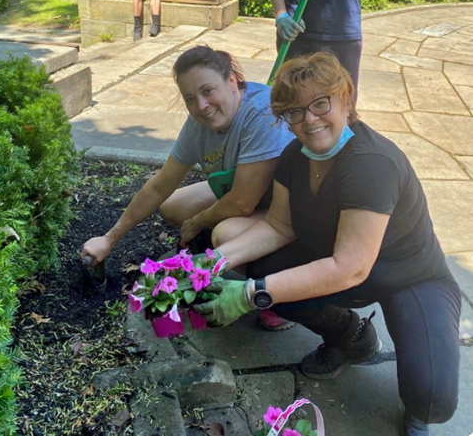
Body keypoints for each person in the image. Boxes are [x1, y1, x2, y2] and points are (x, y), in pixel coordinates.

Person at [195, 53, 461, 436]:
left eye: (321, 104)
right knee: (265, 270)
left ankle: (421, 400)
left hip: (411, 276)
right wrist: (214, 261)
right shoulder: (293, 156)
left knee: (433, 398)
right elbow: (278, 227)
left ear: (346, 101)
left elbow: (350, 266)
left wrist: (250, 294)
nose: (309, 120)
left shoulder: (371, 162)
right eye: (295, 112)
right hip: (343, 262)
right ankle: (353, 338)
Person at [81, 46, 295, 327]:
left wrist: (197, 222)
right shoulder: (200, 122)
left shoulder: (260, 115)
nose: (201, 106)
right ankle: (220, 256)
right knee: (172, 206)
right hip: (245, 196)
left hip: (287, 212)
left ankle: (276, 295)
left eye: (208, 91)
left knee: (225, 233)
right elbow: (160, 185)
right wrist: (110, 238)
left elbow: (243, 203)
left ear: (231, 80)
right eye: (190, 98)